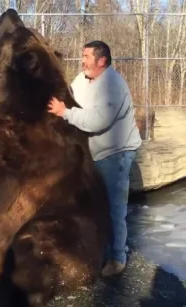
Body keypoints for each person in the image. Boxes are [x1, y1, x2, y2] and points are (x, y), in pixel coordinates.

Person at [47, 40, 142, 277]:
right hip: (96, 152)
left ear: (101, 61)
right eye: (83, 55)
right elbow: (69, 95)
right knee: (93, 206)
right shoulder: (84, 78)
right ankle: (100, 248)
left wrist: (65, 113)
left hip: (115, 154)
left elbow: (97, 121)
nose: (82, 60)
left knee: (113, 208)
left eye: (87, 56)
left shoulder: (113, 85)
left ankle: (117, 257)